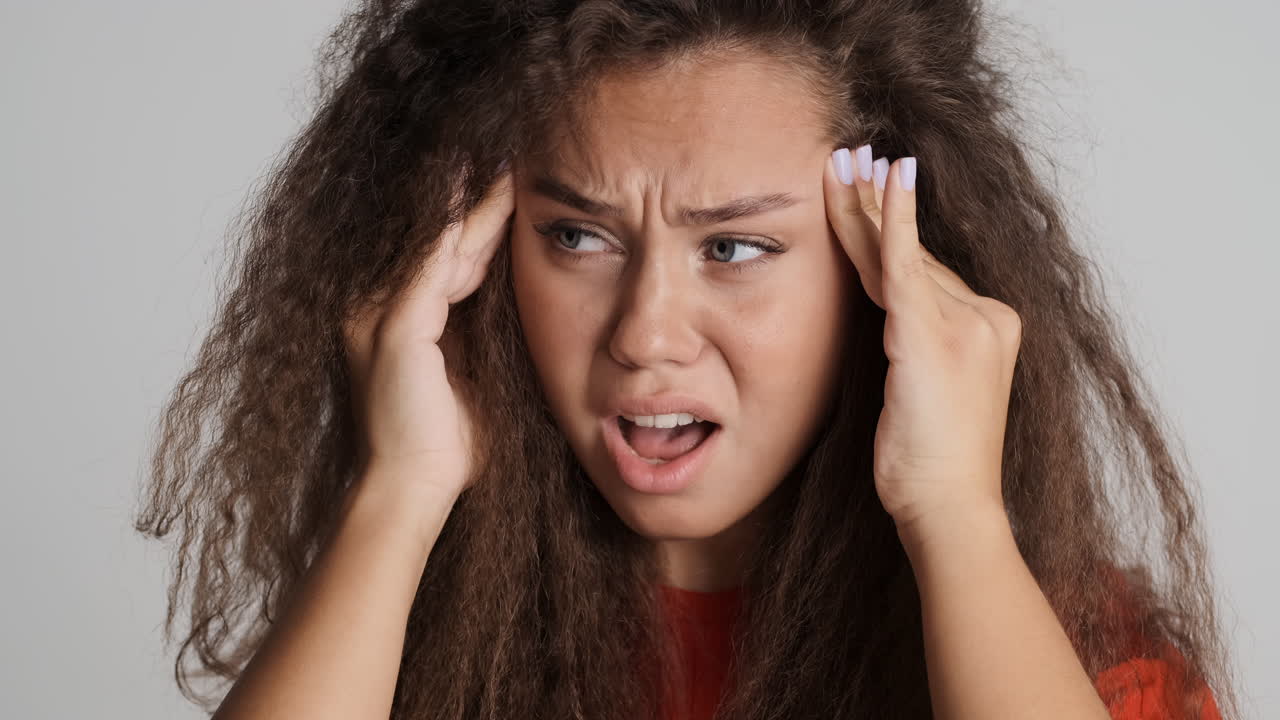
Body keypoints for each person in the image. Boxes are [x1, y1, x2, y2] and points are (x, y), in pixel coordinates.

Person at [135, 1, 1241, 719]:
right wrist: (395, 498)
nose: (645, 333)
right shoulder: (399, 644)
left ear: (884, 269)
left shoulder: (1075, 656)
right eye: (576, 237)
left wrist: (954, 512)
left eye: (734, 247)